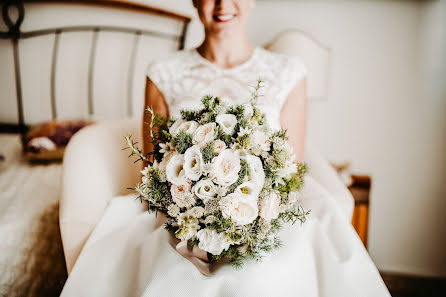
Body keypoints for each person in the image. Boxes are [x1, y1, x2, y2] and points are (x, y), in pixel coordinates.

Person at [61, 0, 391, 296]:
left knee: (262, 276)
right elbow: (156, 167)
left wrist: (246, 215)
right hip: (183, 218)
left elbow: (290, 168)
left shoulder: (288, 72)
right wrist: (197, 211)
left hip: (265, 214)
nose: (222, 4)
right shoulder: (164, 73)